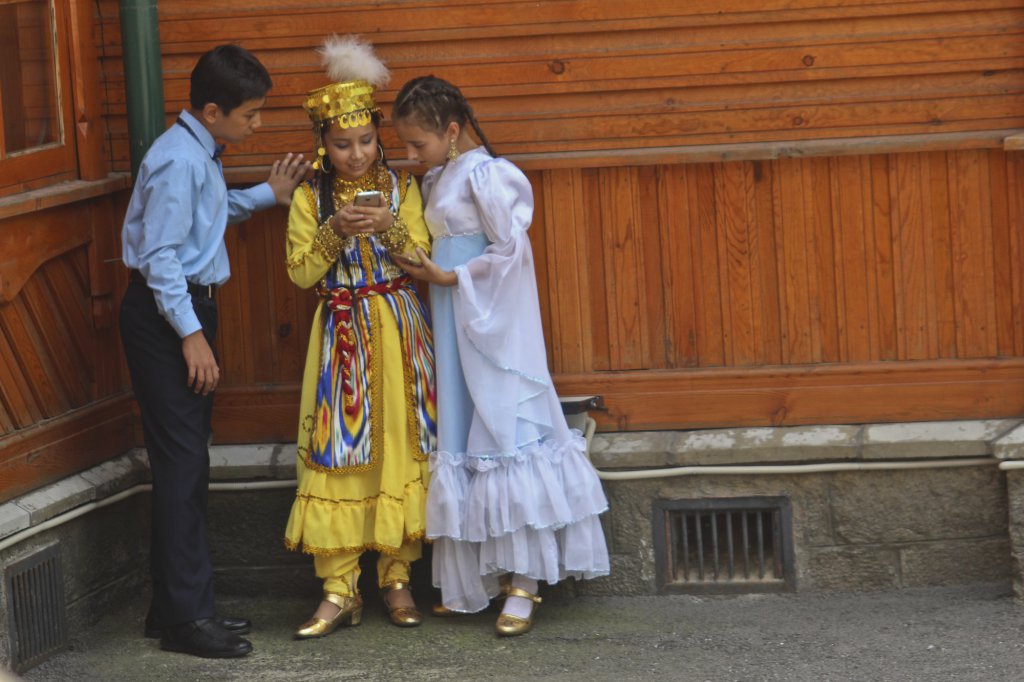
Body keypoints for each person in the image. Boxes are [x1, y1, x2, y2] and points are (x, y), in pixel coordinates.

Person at [391, 76, 610, 637]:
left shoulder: (490, 177)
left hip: (491, 320)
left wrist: (453, 274)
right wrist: (423, 262)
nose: (412, 157)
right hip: (451, 314)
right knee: (465, 435)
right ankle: (480, 577)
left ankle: (525, 582)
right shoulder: (441, 176)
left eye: (419, 145)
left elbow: (511, 253)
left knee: (502, 430)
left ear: (454, 130)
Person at [120, 44, 309, 658]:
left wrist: (264, 194)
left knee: (185, 464)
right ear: (211, 109)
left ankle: (172, 609)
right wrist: (191, 334)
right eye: (250, 115)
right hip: (167, 315)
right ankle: (186, 621)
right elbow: (159, 257)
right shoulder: (179, 160)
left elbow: (207, 214)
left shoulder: (195, 152)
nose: (257, 125)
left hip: (181, 311)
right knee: (182, 468)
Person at [282, 36, 436, 639]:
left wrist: (391, 229)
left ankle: (396, 576)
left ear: (378, 136)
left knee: (398, 447)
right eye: (342, 144)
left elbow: (422, 258)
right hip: (342, 334)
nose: (355, 154)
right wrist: (332, 235)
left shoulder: (402, 190)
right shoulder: (308, 197)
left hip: (398, 330)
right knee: (340, 453)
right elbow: (299, 273)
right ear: (323, 143)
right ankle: (339, 587)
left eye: (366, 141)